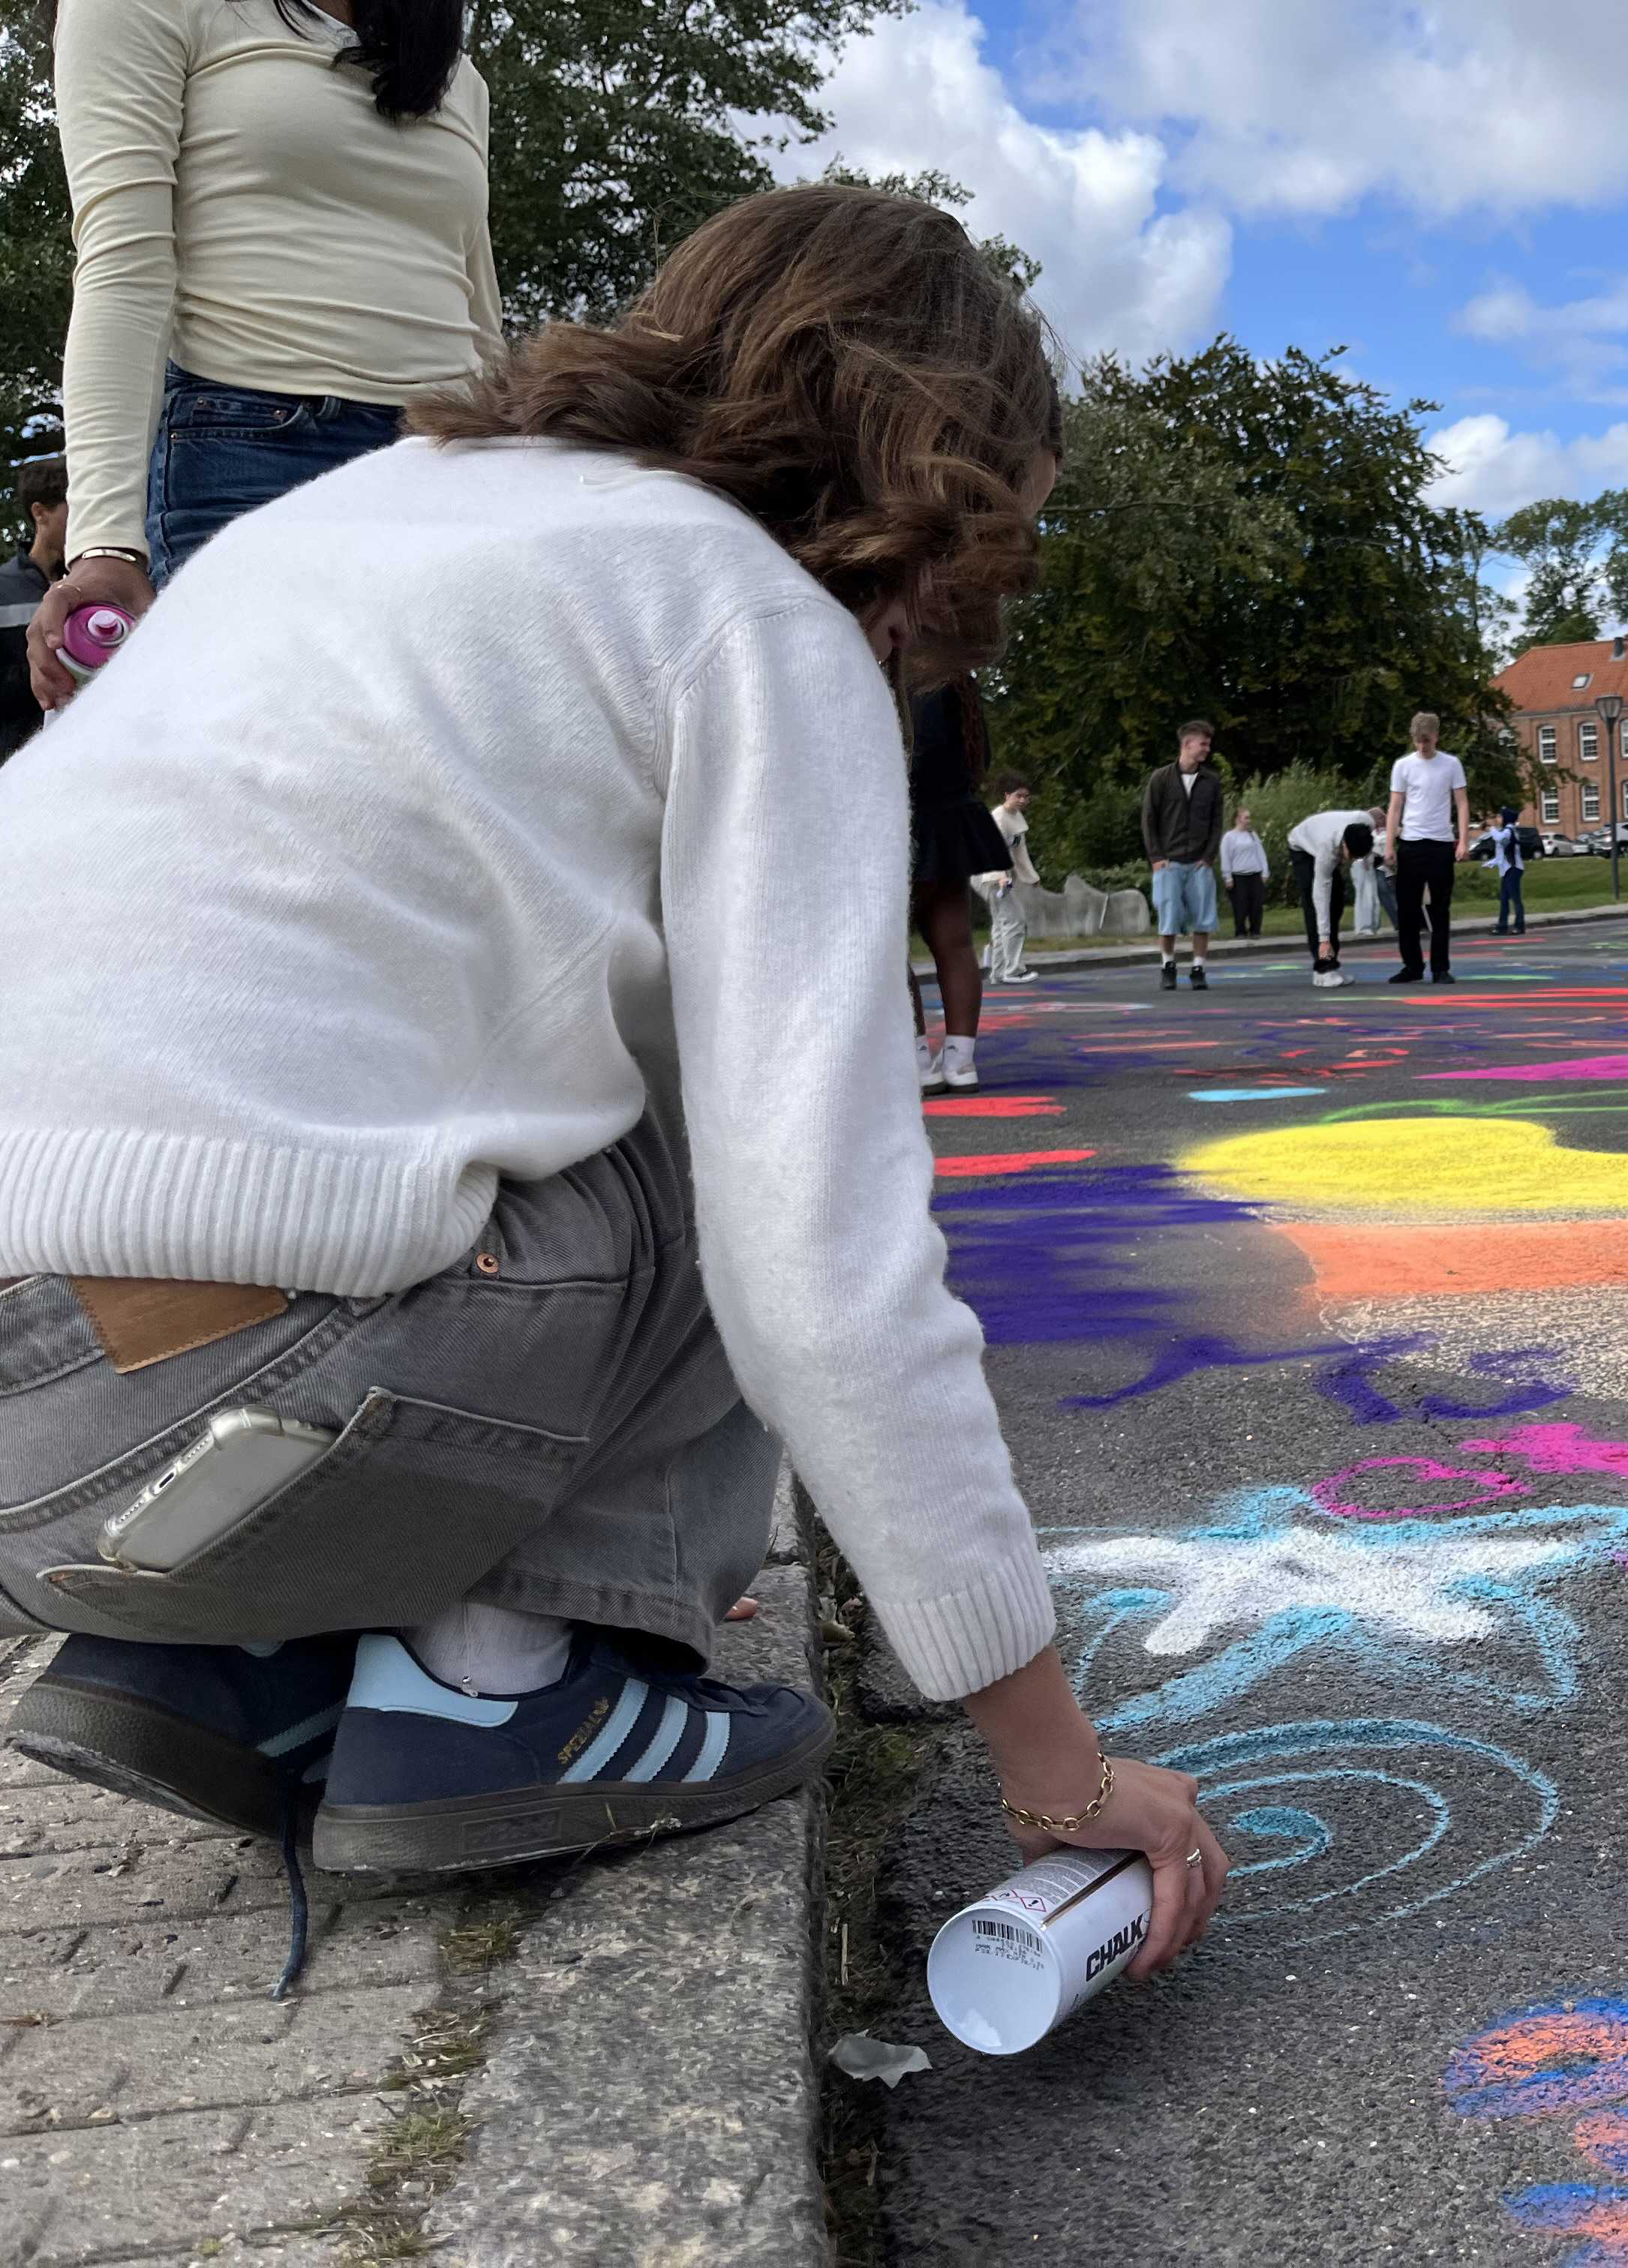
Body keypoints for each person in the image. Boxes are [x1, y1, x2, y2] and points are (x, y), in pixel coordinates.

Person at [0, 186, 1231, 1960]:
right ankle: (500, 1690)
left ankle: (230, 1655)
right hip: (209, 1386)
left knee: (477, 1121)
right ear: (928, 475)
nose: (979, 610)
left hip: (43, 1452)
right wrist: (1055, 1776)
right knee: (734, 1146)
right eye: (996, 549)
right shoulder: (754, 616)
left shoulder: (366, 505)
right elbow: (824, 1278)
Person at [32, 0, 502, 708]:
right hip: (251, 457)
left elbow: (477, 301)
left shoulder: (453, 71)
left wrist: (521, 459)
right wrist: (104, 544)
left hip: (455, 465)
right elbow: (122, 272)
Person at [909, 682, 1011, 1090]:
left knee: (886, 950)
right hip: (952, 819)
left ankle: (913, 1061)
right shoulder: (959, 682)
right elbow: (979, 756)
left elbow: (916, 754)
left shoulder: (910, 680)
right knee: (955, 944)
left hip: (909, 818)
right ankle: (960, 1062)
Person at [1385, 710, 1470, 985]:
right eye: (1419, 741)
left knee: (1440, 909)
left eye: (1428, 741)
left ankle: (1440, 967)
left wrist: (1463, 841)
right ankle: (1412, 965)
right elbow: (1395, 807)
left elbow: (1462, 803)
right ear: (1413, 739)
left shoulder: (1451, 764)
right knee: (1407, 909)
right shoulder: (1403, 766)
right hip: (1411, 843)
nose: (1423, 746)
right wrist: (1389, 846)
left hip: (1441, 843)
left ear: (1436, 737)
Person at [1141, 722, 1226, 991]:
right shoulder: (1161, 779)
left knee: (1204, 918)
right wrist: (1156, 857)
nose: (1207, 749)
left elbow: (1217, 822)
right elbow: (1149, 820)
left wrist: (1209, 857)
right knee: (1169, 917)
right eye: (1203, 744)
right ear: (1187, 745)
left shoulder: (1211, 781)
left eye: (1208, 744)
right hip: (1169, 861)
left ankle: (1198, 968)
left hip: (1200, 862)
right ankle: (1168, 965)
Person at [0, 457, 68, 761]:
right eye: (75, 508)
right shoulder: (2, 587)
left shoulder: (94, 583)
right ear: (40, 513)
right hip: (19, 763)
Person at [1286, 806, 1379, 988]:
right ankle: (1323, 968)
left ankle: (1332, 963)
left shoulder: (1365, 822)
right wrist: (1324, 939)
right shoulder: (1326, 850)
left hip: (1323, 835)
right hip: (1301, 847)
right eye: (1351, 856)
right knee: (1319, 907)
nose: (1351, 860)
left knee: (1337, 901)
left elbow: (1372, 817)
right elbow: (1320, 896)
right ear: (1344, 844)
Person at [973, 774, 1039, 986]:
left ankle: (998, 972)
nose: (1022, 800)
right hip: (987, 874)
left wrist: (1031, 877)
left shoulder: (1017, 818)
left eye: (1026, 797)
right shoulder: (998, 817)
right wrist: (1001, 877)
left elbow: (1020, 852)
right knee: (1015, 920)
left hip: (999, 873)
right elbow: (993, 849)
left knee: (1002, 923)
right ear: (1007, 795)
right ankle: (1013, 970)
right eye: (1019, 796)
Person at [1219, 805, 1269, 940]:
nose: (1249, 820)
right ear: (1238, 819)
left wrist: (1265, 872)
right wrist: (1227, 877)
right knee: (1240, 905)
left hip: (1255, 875)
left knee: (1256, 904)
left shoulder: (1252, 835)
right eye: (1246, 818)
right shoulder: (1229, 837)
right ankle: (1240, 931)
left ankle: (1255, 930)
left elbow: (1261, 853)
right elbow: (1226, 857)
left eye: (1249, 818)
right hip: (1238, 876)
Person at [1486, 806, 1530, 935]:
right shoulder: (1506, 831)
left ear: (1506, 818)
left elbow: (1499, 839)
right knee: (1504, 898)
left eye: (1500, 816)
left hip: (1514, 868)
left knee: (1515, 898)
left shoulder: (1509, 830)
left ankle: (1519, 925)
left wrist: (1491, 829)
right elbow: (1502, 853)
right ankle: (1502, 926)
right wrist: (1491, 863)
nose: (1498, 819)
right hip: (1507, 869)